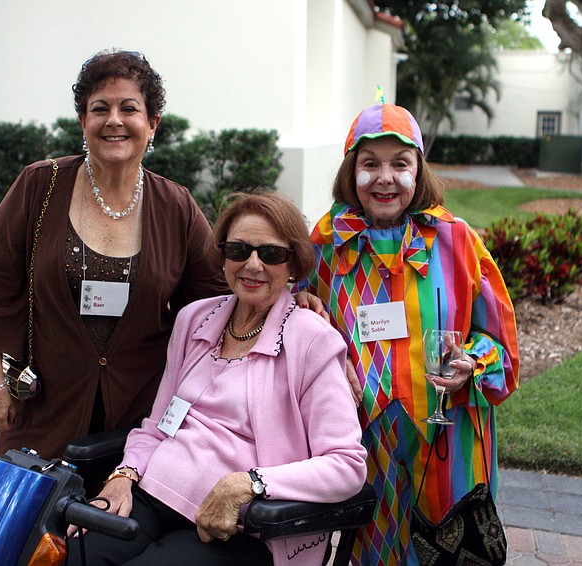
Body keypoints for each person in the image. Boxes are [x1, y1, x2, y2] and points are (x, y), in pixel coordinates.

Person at [69, 191, 367, 566]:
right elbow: (158, 425)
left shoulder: (313, 341)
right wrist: (123, 474)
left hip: (237, 526)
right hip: (151, 492)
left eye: (271, 254)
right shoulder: (195, 319)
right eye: (239, 250)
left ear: (293, 263)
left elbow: (346, 465)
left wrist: (248, 483)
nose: (253, 265)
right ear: (223, 258)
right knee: (76, 555)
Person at [0, 49, 228, 459]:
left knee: (111, 521)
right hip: (43, 406)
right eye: (100, 108)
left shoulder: (176, 205)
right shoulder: (40, 185)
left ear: (152, 124)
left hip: (136, 418)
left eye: (129, 108)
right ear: (84, 121)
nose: (114, 120)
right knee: (25, 519)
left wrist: (290, 299)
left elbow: (217, 296)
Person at [294, 103, 519, 564]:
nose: (385, 178)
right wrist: (301, 306)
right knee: (372, 551)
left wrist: (471, 364)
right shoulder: (324, 244)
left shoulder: (458, 241)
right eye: (370, 164)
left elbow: (503, 347)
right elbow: (287, 314)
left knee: (448, 551)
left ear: (419, 170)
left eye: (400, 164)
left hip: (446, 436)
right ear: (350, 171)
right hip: (361, 439)